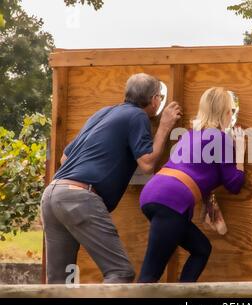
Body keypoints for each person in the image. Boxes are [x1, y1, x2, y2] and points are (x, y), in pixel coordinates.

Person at [40, 73, 182, 283]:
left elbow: (64, 157)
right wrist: (163, 127)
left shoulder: (102, 113)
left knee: (60, 281)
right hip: (79, 199)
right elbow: (146, 164)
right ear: (154, 100)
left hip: (53, 194)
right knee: (120, 272)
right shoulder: (138, 116)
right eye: (160, 97)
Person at [138, 87, 245, 283]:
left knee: (201, 249)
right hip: (170, 202)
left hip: (156, 194)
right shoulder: (220, 138)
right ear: (225, 112)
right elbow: (234, 184)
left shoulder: (190, 135)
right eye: (231, 110)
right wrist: (240, 152)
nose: (232, 115)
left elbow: (199, 171)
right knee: (149, 276)